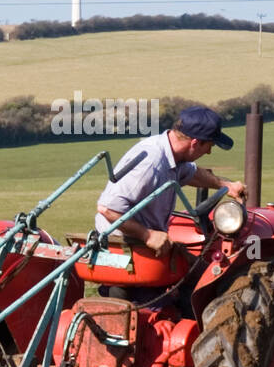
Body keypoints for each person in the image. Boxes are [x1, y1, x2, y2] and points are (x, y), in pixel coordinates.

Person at [95, 105, 247, 257]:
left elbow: (192, 173)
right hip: (124, 247)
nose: (209, 152)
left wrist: (226, 185)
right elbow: (108, 208)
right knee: (202, 274)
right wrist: (147, 235)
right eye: (209, 146)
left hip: (139, 244)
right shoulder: (151, 163)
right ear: (195, 143)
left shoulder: (173, 154)